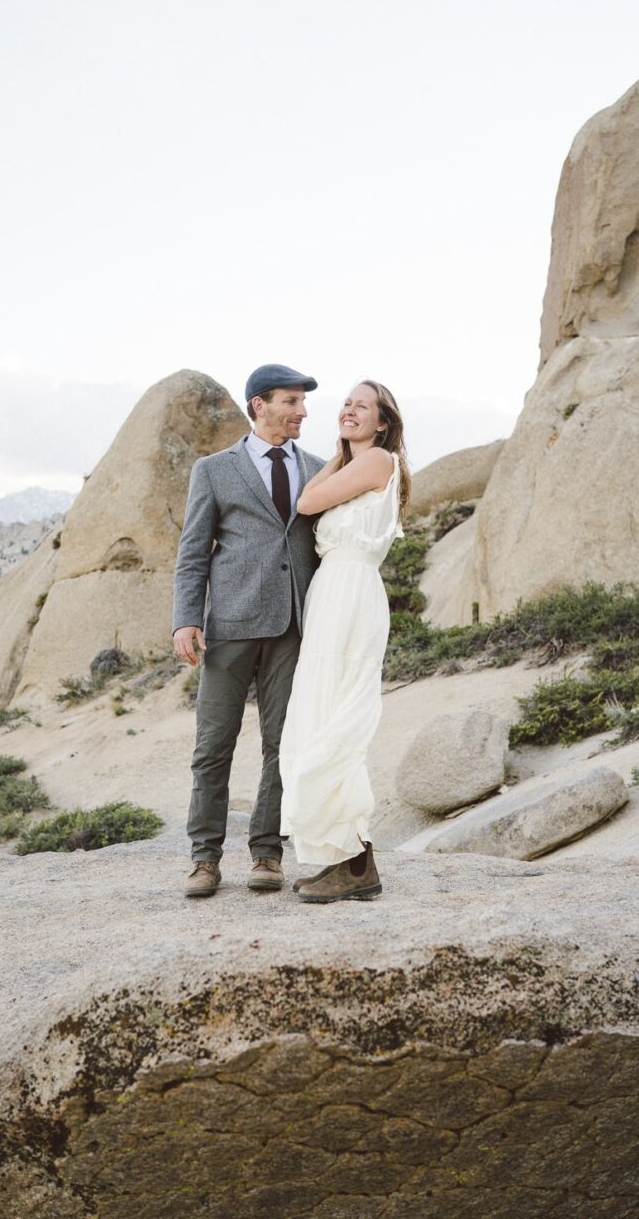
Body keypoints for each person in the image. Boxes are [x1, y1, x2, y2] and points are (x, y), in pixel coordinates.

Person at [172, 364, 325, 897]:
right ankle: (204, 860)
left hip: (292, 626)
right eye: (291, 401)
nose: (302, 411)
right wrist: (186, 618)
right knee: (213, 745)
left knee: (283, 745)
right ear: (259, 405)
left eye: (303, 402)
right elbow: (193, 552)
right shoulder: (214, 470)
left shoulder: (320, 468)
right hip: (230, 625)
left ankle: (267, 853)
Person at [279, 379, 410, 903]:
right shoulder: (354, 463)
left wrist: (336, 456)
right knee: (320, 714)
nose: (349, 410)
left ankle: (358, 863)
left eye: (362, 405)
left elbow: (309, 501)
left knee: (339, 722)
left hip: (352, 591)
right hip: (332, 593)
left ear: (382, 423)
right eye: (346, 403)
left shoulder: (377, 461)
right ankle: (341, 857)